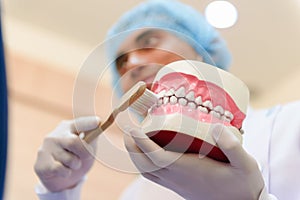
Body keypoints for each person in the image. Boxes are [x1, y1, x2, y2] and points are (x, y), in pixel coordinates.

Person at [34, 0, 300, 199]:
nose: (133, 65)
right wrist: (58, 191)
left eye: (149, 42)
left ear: (200, 51)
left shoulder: (291, 126)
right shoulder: (137, 194)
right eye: (121, 62)